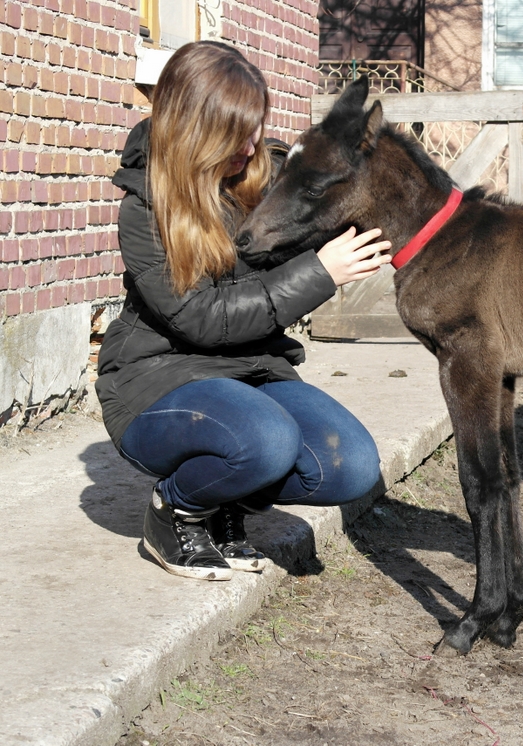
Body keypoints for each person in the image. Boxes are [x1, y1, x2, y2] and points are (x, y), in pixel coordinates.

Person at [95, 40, 392, 581]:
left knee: (349, 465)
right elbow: (201, 318)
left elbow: (339, 203)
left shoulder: (266, 176)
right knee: (267, 439)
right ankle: (177, 509)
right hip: (158, 378)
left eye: (256, 127)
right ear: (196, 129)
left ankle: (223, 499)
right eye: (237, 132)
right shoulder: (144, 207)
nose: (252, 144)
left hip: (253, 369)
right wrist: (322, 272)